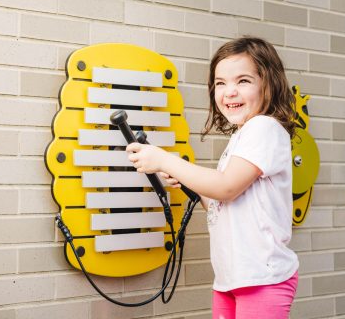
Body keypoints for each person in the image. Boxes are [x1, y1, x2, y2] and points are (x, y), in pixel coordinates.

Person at [126, 37, 299, 319]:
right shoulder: (242, 136)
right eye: (220, 83)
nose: (229, 92)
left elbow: (226, 187)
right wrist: (187, 180)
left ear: (269, 84)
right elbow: (223, 202)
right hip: (232, 278)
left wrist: (165, 159)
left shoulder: (264, 128)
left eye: (243, 81)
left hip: (262, 279)